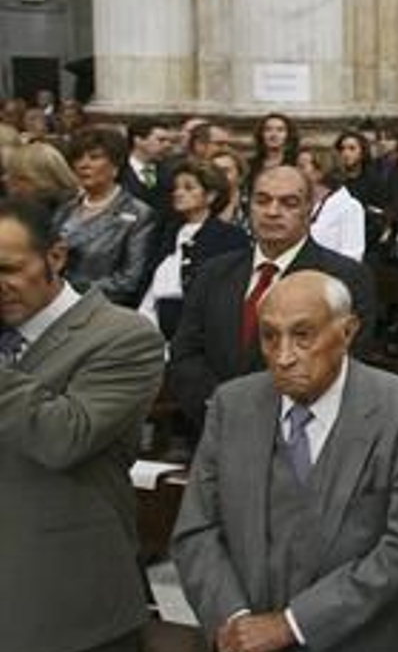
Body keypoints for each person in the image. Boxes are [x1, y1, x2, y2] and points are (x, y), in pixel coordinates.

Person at [171, 272, 398, 652]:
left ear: (347, 331)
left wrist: (291, 625)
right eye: (270, 336)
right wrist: (240, 625)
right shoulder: (233, 405)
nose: (284, 355)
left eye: (303, 335)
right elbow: (197, 530)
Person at [0, 198, 168, 652]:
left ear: (56, 257)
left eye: (8, 269)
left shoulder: (121, 337)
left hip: (73, 609)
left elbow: (61, 436)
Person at [168, 166, 377, 429]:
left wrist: (262, 410)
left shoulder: (345, 277)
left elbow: (343, 361)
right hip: (213, 424)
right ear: (248, 206)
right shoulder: (214, 272)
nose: (273, 211)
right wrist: (219, 404)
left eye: (289, 203)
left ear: (310, 210)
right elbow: (186, 352)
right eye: (262, 200)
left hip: (299, 430)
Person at [138, 159, 252, 339]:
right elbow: (149, 286)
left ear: (210, 195)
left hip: (200, 332)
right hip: (152, 327)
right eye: (176, 188)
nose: (178, 193)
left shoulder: (230, 237)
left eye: (188, 188)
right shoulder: (164, 233)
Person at [55, 126, 158, 306]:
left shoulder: (139, 213)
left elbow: (129, 281)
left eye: (94, 157)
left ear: (116, 165)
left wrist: (67, 290)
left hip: (101, 310)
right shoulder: (64, 209)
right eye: (78, 158)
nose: (83, 164)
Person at [297, 145, 367, 262]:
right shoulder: (301, 204)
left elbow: (352, 258)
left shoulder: (349, 207)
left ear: (320, 171)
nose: (295, 172)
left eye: (301, 167)